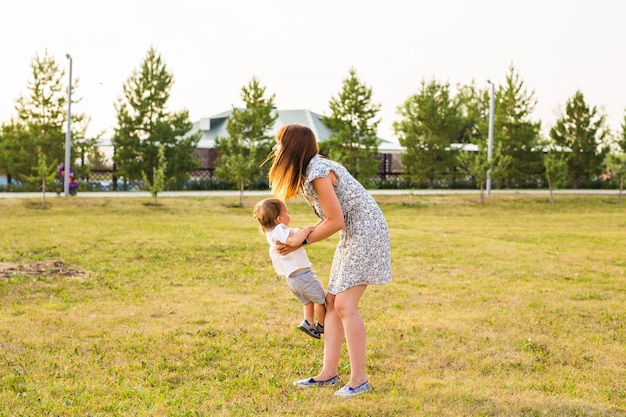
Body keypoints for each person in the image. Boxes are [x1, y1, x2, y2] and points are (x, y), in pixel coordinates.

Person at [268, 124, 391, 398]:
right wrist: (300, 236)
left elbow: (335, 220)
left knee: (346, 305)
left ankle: (359, 380)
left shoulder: (318, 172)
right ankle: (328, 375)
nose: (275, 148)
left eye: (279, 143)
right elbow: (331, 217)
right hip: (354, 233)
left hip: (366, 233)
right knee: (332, 303)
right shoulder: (309, 171)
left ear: (292, 148)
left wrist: (304, 240)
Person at [253, 198, 326, 339]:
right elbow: (294, 241)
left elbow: (298, 240)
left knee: (308, 301)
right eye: (287, 213)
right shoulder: (280, 230)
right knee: (320, 301)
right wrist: (306, 229)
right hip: (303, 275)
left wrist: (318, 224)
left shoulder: (271, 234)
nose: (289, 216)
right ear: (279, 219)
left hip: (293, 279)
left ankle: (308, 322)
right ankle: (323, 325)